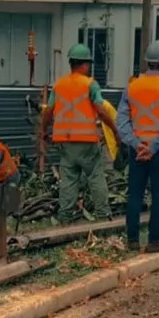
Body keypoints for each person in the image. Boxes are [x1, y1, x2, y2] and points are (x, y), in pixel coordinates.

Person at [117, 40, 159, 253]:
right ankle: (154, 241)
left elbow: (122, 122)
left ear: (147, 63)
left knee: (135, 195)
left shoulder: (131, 87)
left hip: (137, 151)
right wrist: (153, 147)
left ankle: (132, 240)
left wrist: (137, 145)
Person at [41, 43, 119, 223]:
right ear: (84, 64)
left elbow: (48, 111)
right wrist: (115, 130)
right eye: (88, 64)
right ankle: (102, 215)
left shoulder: (59, 85)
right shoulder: (91, 84)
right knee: (96, 177)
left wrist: (44, 131)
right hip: (87, 142)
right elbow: (101, 111)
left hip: (65, 143)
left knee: (68, 181)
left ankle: (65, 217)